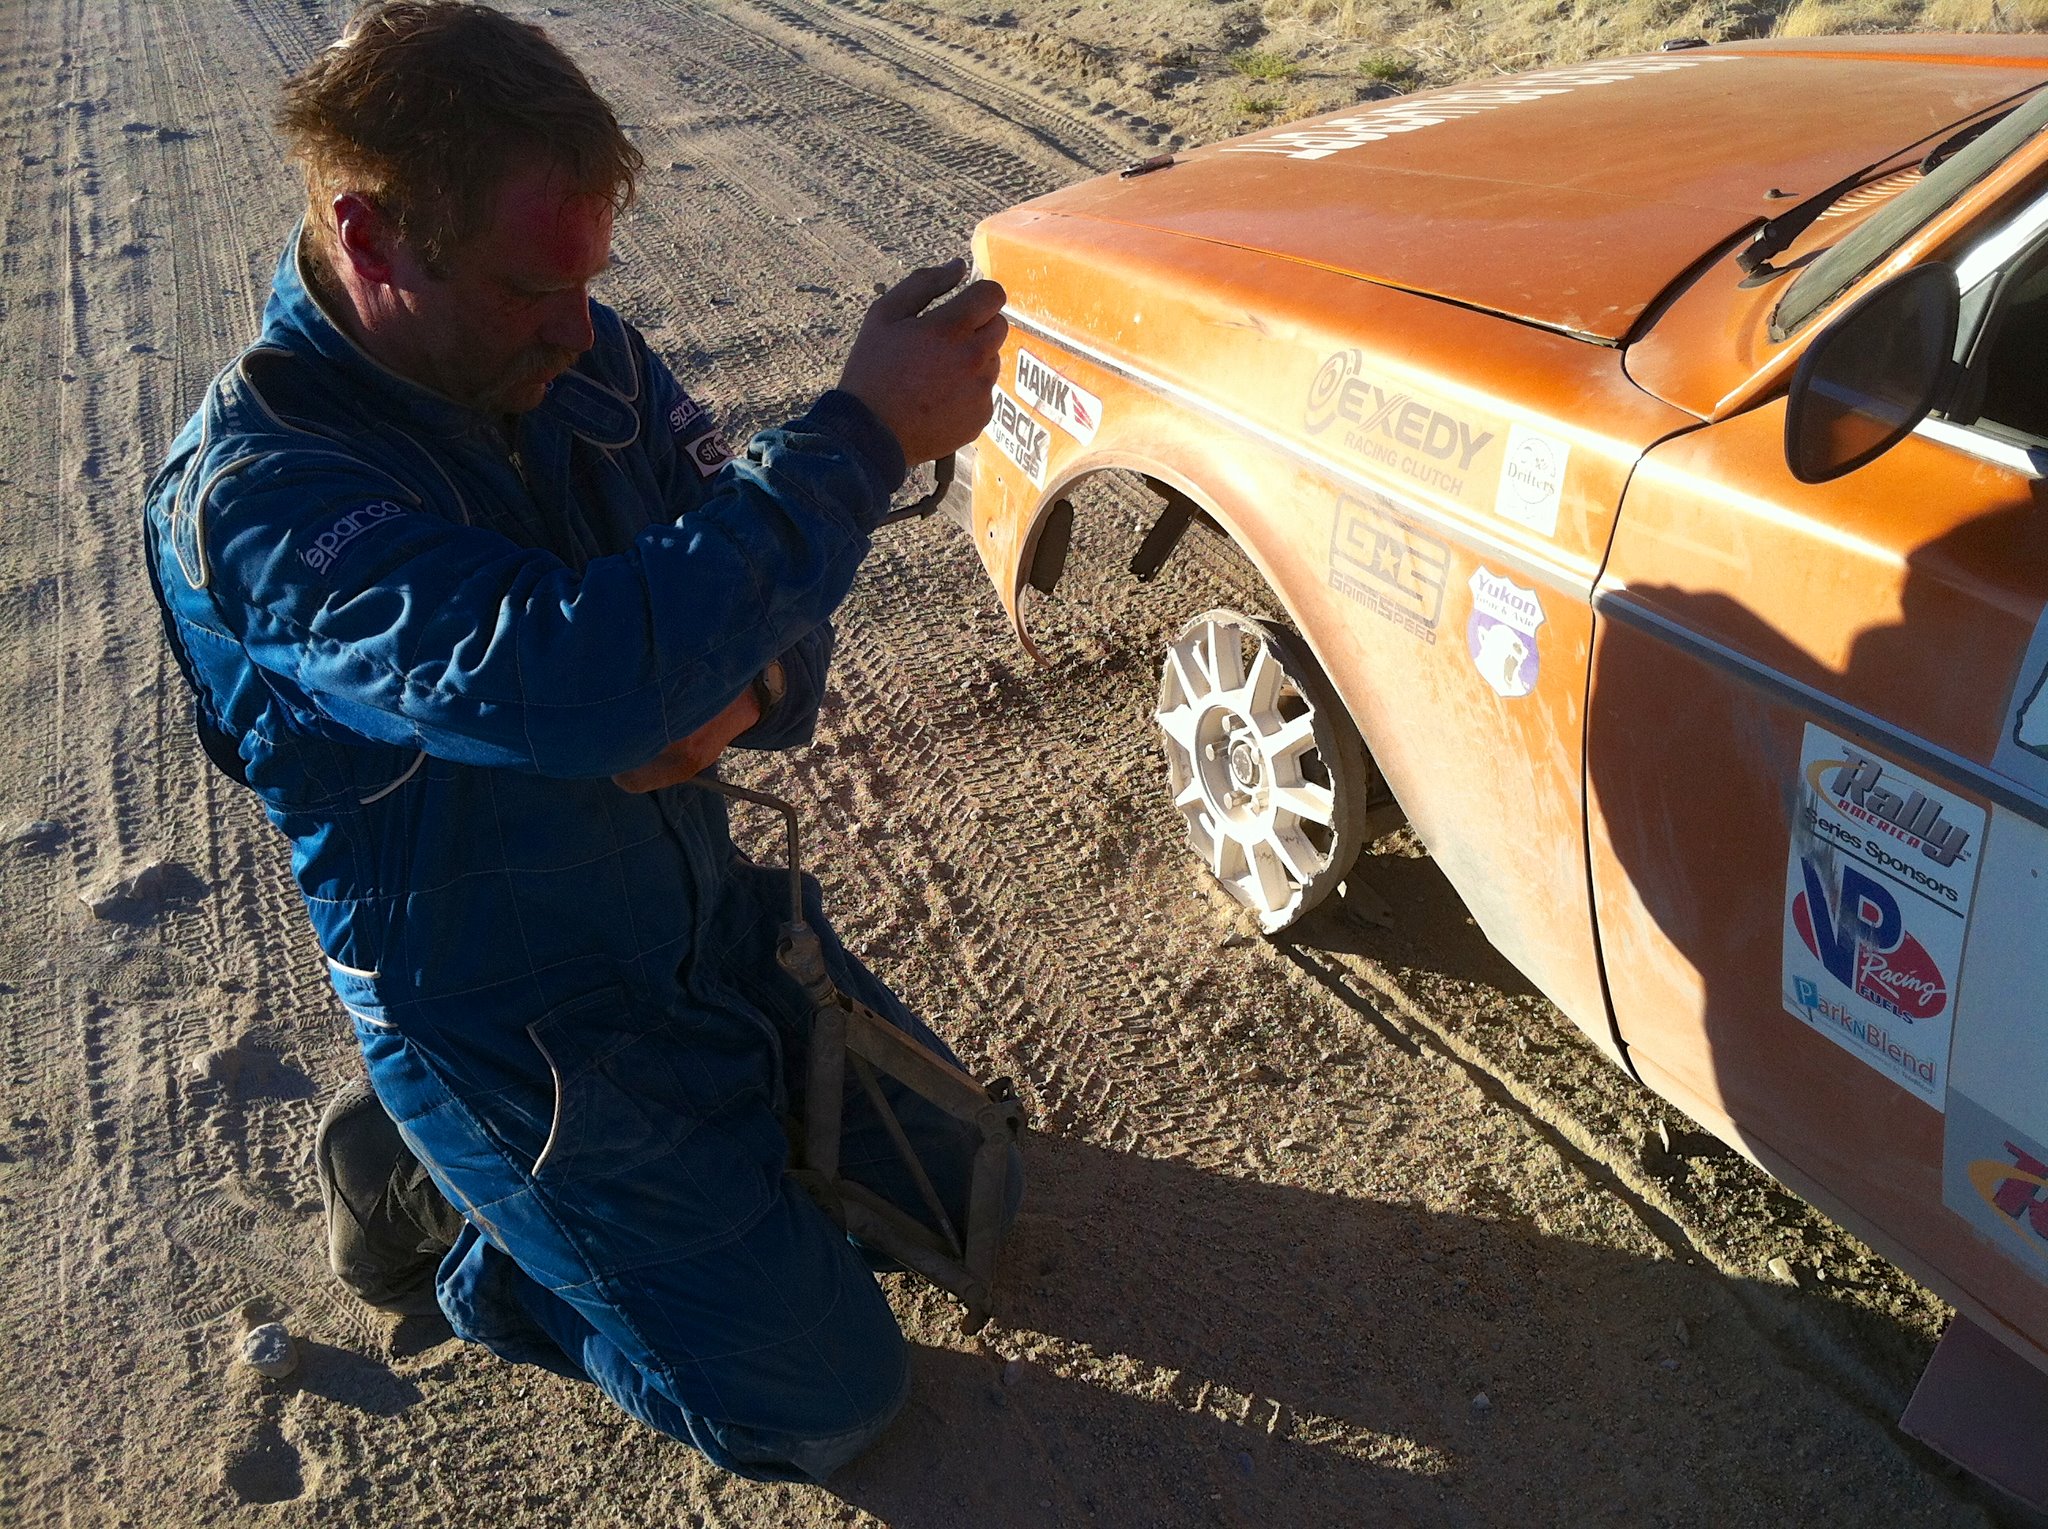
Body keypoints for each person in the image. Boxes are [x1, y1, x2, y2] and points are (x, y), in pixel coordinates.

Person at [141, 0, 1014, 1482]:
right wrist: (860, 441)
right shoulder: (263, 502)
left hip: (698, 928)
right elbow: (583, 669)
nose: (578, 325)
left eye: (587, 279)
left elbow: (726, 560)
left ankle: (479, 1182)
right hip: (513, 1018)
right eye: (522, 286)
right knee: (825, 1396)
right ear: (369, 237)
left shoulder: (574, 348)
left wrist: (725, 681)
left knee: (971, 1185)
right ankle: (474, 1229)